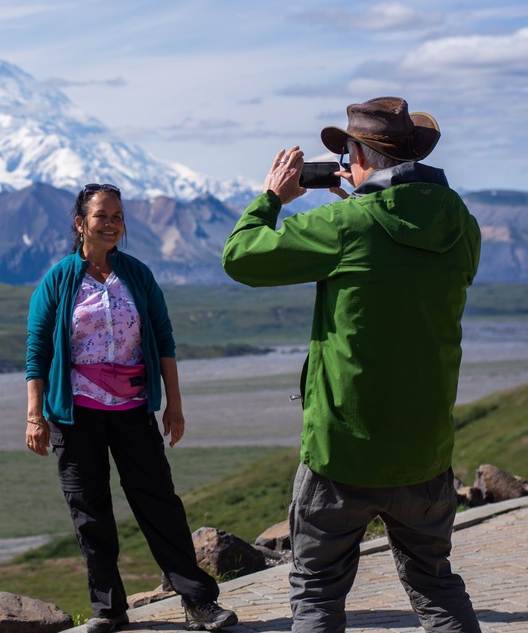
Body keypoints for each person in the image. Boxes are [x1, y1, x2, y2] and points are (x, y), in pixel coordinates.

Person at [222, 96, 482, 632]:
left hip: (343, 451)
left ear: (361, 153)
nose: (344, 162)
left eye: (347, 151)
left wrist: (272, 197)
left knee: (316, 593)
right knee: (435, 585)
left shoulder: (345, 224)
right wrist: (366, 204)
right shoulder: (464, 225)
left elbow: (241, 256)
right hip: (425, 451)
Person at [25, 183, 239, 632]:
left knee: (159, 503)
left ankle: (198, 602)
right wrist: (35, 415)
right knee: (90, 512)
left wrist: (174, 406)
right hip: (74, 413)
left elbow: (163, 339)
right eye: (103, 216)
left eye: (119, 216)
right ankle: (109, 611)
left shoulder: (137, 276)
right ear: (81, 224)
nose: (113, 224)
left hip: (132, 408)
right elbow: (37, 351)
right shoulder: (58, 280)